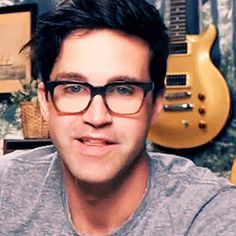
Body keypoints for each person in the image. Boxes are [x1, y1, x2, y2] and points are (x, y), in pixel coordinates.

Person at [0, 0, 236, 235]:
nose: (96, 117)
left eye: (123, 90)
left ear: (156, 104)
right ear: (45, 101)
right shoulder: (7, 186)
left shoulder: (210, 212)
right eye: (74, 88)